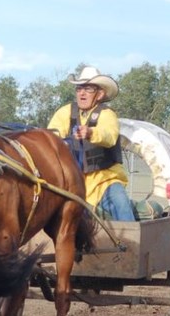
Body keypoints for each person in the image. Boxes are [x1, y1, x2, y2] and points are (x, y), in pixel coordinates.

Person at [47, 65, 136, 221]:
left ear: (100, 94)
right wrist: (58, 144)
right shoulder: (65, 112)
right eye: (79, 88)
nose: (82, 93)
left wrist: (90, 133)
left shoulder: (107, 114)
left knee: (121, 205)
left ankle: (132, 244)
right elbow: (51, 135)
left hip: (106, 181)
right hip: (73, 182)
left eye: (88, 89)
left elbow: (109, 136)